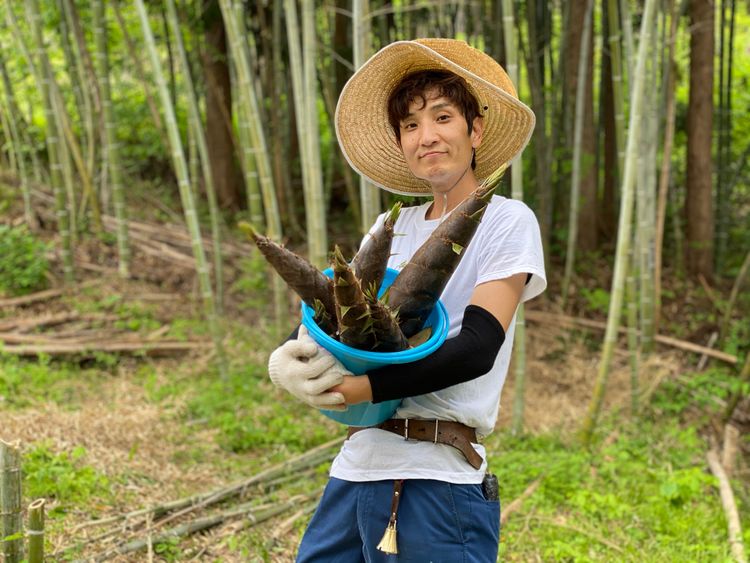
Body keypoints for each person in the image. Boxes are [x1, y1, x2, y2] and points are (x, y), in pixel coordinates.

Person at [268, 38, 546, 562]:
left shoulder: (507, 220)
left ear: (475, 129)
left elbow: (477, 348)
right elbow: (335, 317)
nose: (428, 136)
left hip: (437, 477)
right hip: (356, 468)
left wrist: (360, 388)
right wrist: (286, 358)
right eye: (411, 125)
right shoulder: (391, 226)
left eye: (442, 117)